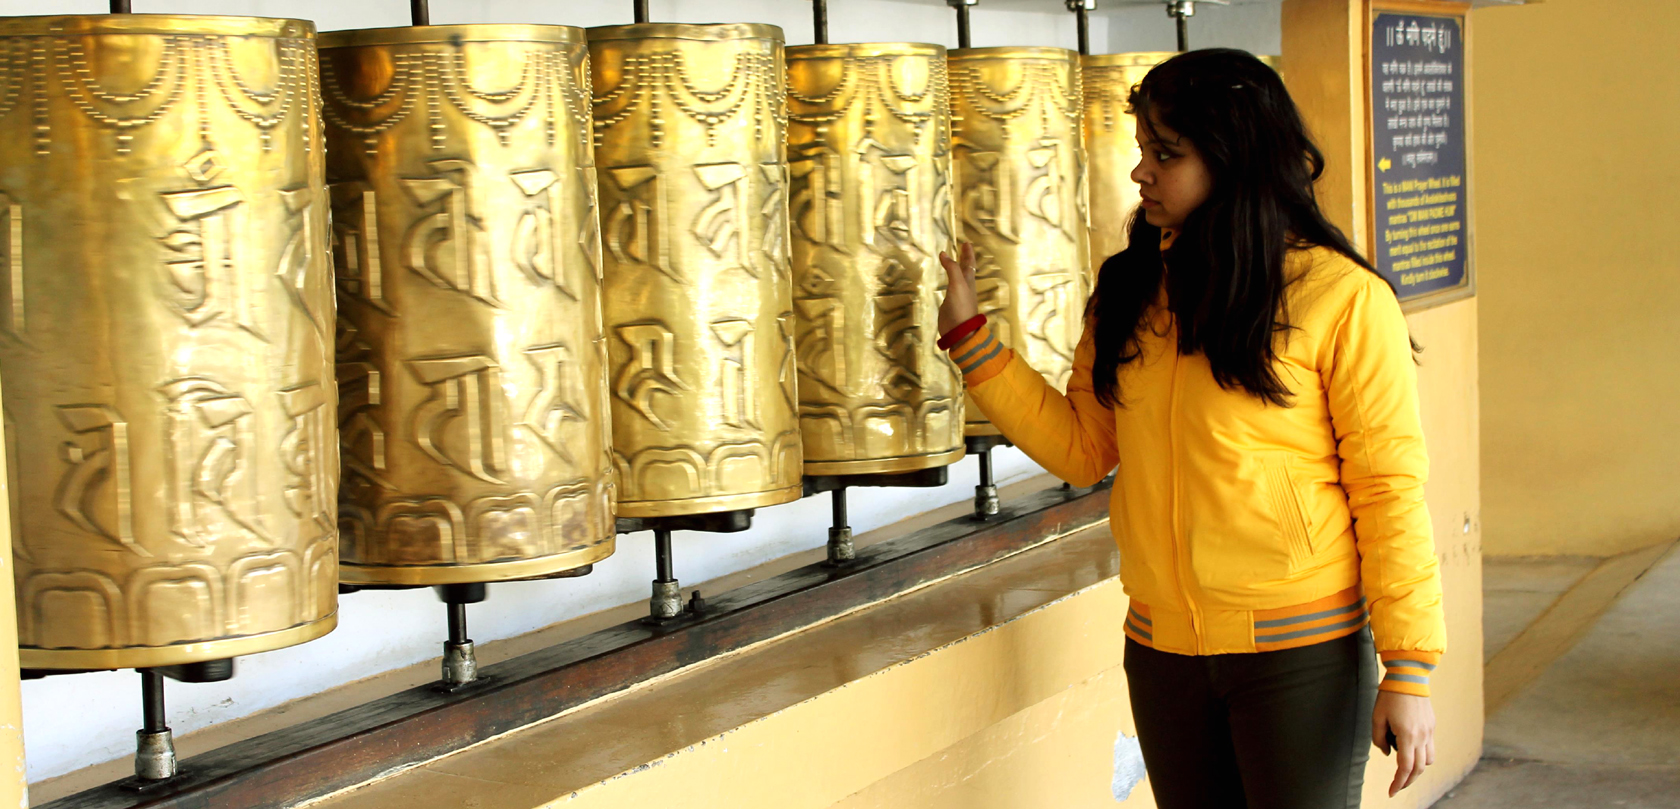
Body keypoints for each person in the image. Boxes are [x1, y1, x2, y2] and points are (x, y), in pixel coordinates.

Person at [936, 49, 1445, 809]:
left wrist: (1408, 667)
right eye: (1143, 148)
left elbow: (1388, 489)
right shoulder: (1130, 289)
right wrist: (973, 343)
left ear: (1236, 157)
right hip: (1162, 652)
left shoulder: (1342, 299)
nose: (1140, 172)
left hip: (1299, 653)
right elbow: (1083, 449)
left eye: (1166, 154)